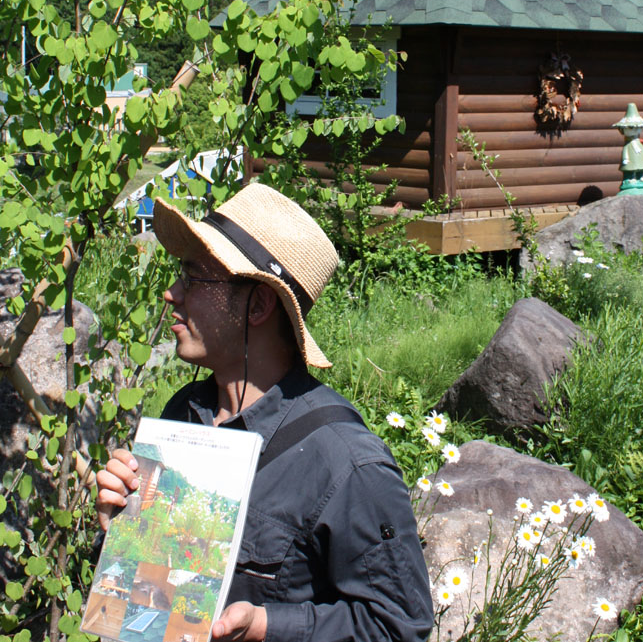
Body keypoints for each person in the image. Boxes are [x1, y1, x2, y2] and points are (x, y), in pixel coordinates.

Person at [95, 183, 433, 642]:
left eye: (193, 279)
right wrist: (119, 529)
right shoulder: (184, 415)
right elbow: (150, 612)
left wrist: (265, 626)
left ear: (257, 304)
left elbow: (399, 627)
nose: (171, 294)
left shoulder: (346, 464)